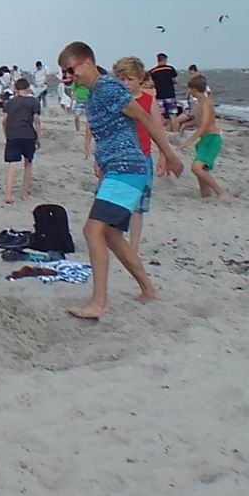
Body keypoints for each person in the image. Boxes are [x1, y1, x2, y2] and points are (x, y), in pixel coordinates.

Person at [56, 41, 183, 320]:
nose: (69, 77)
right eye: (64, 73)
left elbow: (144, 118)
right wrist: (99, 162)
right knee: (111, 235)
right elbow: (108, 133)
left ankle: (99, 303)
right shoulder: (93, 94)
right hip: (115, 169)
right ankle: (148, 290)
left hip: (127, 167)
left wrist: (169, 154)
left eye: (71, 70)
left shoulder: (108, 87)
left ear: (87, 63)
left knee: (92, 231)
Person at [113, 56, 163, 252]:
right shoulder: (116, 100)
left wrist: (164, 155)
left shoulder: (148, 100)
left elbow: (158, 129)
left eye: (130, 79)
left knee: (138, 207)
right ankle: (117, 242)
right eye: (122, 79)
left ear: (140, 79)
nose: (126, 83)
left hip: (143, 157)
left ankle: (133, 247)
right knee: (117, 203)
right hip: (119, 158)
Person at [182, 74, 229, 198]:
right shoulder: (199, 104)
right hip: (204, 140)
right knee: (202, 170)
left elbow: (205, 125)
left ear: (193, 89)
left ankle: (221, 192)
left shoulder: (207, 103)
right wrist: (185, 125)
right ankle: (205, 194)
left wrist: (189, 141)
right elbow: (198, 121)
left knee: (196, 168)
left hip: (212, 139)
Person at [1, 76, 39, 205]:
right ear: (28, 88)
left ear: (16, 89)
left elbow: (4, 121)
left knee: (13, 164)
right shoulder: (33, 102)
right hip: (28, 135)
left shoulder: (10, 102)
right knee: (28, 163)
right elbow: (36, 121)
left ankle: (8, 194)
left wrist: (6, 134)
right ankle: (24, 193)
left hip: (13, 135)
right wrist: (39, 137)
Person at [148, 54, 179, 124]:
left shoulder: (153, 71)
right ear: (165, 59)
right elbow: (176, 80)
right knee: (173, 115)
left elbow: (151, 83)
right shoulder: (170, 69)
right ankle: (174, 130)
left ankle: (165, 130)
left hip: (159, 96)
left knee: (162, 116)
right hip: (170, 95)